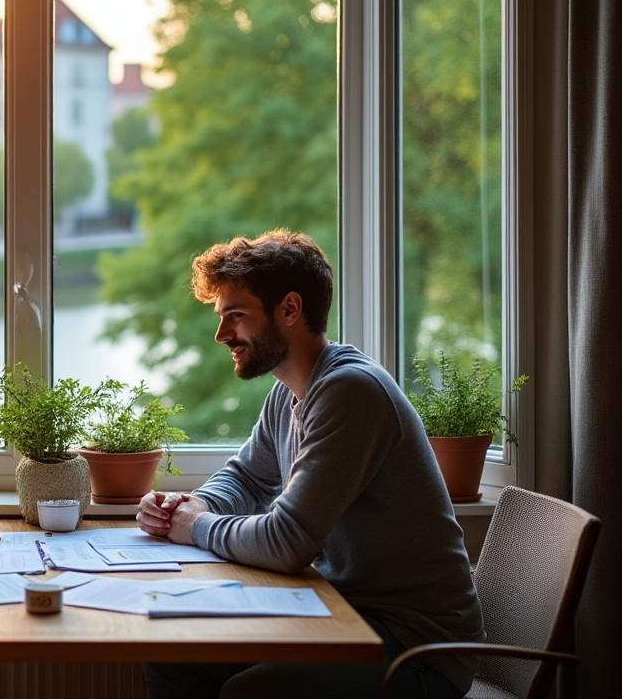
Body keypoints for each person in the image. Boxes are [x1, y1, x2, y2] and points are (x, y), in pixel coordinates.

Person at [139, 230, 483, 699]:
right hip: (340, 612)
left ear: (290, 310)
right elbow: (247, 475)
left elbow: (287, 541)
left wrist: (195, 526)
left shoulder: (350, 392)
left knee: (252, 693)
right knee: (173, 661)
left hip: (416, 651)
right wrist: (190, 502)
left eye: (235, 317)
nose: (222, 335)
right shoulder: (291, 391)